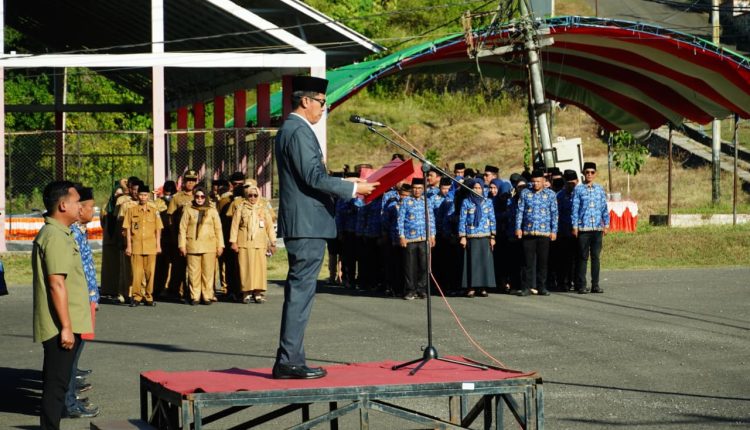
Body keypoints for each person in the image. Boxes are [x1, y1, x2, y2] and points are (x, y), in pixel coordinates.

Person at [273, 75, 378, 379]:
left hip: (307, 222)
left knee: (301, 292)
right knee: (300, 293)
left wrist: (346, 181)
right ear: (305, 101)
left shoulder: (294, 129)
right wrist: (353, 189)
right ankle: (289, 361)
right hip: (307, 223)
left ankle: (291, 358)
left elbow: (310, 175)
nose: (324, 108)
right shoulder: (298, 130)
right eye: (321, 102)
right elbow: (312, 177)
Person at [33, 181, 94, 427]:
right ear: (62, 205)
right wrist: (66, 327)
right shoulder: (55, 236)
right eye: (76, 202)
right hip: (60, 326)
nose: (80, 206)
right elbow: (56, 284)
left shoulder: (61, 233)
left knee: (57, 383)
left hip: (66, 322)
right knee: (56, 386)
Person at [64, 186, 101, 418]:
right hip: (79, 299)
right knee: (70, 354)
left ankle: (70, 396)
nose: (92, 211)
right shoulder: (72, 233)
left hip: (86, 296)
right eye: (90, 207)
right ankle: (68, 402)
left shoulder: (79, 231)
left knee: (76, 352)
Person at [229, 183, 276, 303]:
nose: (253, 198)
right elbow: (234, 226)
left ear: (258, 195)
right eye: (250, 195)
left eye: (255, 195)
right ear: (246, 195)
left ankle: (258, 292)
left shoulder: (263, 208)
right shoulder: (241, 208)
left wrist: (273, 242)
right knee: (245, 268)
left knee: (259, 269)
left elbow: (270, 227)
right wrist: (233, 242)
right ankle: (246, 292)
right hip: (244, 243)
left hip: (260, 244)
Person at [515, 169, 558, 297]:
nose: (536, 184)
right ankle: (526, 287)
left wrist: (554, 230)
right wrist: (518, 228)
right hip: (528, 232)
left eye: (538, 181)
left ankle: (542, 286)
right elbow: (520, 211)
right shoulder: (525, 193)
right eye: (533, 181)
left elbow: (554, 213)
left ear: (544, 181)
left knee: (543, 262)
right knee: (527, 262)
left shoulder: (550, 194)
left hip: (544, 233)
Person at [178, 186, 224, 305]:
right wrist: (182, 245)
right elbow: (182, 228)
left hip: (209, 246)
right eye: (197, 196)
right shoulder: (188, 210)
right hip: (192, 245)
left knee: (208, 273)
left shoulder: (212, 210)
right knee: (193, 273)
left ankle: (207, 295)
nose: (199, 199)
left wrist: (220, 245)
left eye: (202, 196)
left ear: (206, 197)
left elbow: (218, 229)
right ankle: (195, 296)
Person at [572, 162, 610, 294]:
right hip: (584, 229)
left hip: (597, 229)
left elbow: (604, 208)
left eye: (592, 172)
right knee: (583, 257)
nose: (589, 174)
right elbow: (575, 209)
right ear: (583, 173)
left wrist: (606, 224)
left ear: (595, 173)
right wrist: (575, 226)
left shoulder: (599, 189)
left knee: (596, 257)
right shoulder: (578, 189)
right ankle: (582, 285)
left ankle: (595, 285)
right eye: (587, 172)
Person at [123, 185, 163, 307]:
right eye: (141, 195)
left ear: (148, 196)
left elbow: (158, 229)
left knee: (150, 273)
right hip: (136, 246)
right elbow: (127, 229)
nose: (143, 197)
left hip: (151, 246)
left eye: (145, 195)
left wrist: (158, 246)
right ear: (137, 195)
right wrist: (128, 246)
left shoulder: (154, 211)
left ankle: (149, 296)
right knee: (136, 274)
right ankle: (136, 297)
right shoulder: (131, 210)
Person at [397, 178, 436, 300]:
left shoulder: (427, 201)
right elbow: (400, 220)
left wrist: (432, 235)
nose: (417, 190)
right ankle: (410, 290)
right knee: (410, 266)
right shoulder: (406, 201)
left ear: (423, 189)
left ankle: (421, 289)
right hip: (410, 239)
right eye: (414, 188)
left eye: (419, 188)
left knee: (424, 265)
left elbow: (431, 219)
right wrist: (401, 236)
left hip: (424, 237)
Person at [458, 179, 496, 297]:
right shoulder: (466, 202)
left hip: (485, 235)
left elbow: (492, 219)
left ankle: (483, 287)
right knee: (472, 262)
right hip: (471, 235)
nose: (477, 190)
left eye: (479, 188)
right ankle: (471, 287)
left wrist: (493, 237)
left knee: (484, 262)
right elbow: (462, 219)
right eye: (475, 188)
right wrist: (463, 236)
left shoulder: (488, 202)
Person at [166, 169, 199, 300]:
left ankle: (193, 292)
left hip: (195, 238)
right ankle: (177, 291)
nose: (191, 183)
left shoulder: (199, 196)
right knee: (179, 266)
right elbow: (170, 218)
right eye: (188, 180)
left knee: (194, 267)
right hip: (180, 237)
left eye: (193, 180)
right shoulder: (177, 197)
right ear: (184, 181)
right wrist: (174, 237)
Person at [555, 170, 579, 291]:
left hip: (578, 231)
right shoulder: (559, 195)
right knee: (563, 258)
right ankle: (563, 282)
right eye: (568, 183)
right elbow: (556, 214)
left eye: (572, 183)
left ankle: (577, 282)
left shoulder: (580, 194)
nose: (570, 186)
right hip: (563, 231)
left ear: (577, 181)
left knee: (577, 258)